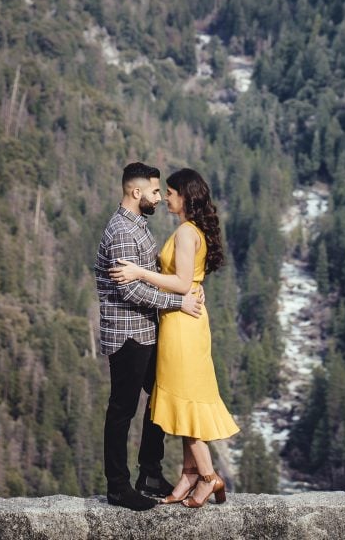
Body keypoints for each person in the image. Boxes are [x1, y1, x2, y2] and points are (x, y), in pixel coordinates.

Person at [111, 167, 239, 508]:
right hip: (178, 321)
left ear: (184, 197)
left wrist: (139, 272)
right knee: (181, 398)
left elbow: (182, 284)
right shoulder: (191, 230)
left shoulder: (185, 233)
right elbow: (187, 280)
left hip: (181, 324)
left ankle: (209, 477)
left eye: (169, 192)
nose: (165, 197)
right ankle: (189, 474)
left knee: (183, 400)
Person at [95, 162, 204, 511]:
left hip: (146, 331)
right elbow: (132, 292)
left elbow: (146, 276)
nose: (159, 197)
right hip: (127, 333)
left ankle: (150, 473)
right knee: (122, 409)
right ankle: (118, 486)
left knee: (160, 396)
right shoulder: (123, 232)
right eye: (155, 191)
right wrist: (178, 302)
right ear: (136, 192)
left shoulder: (137, 225)